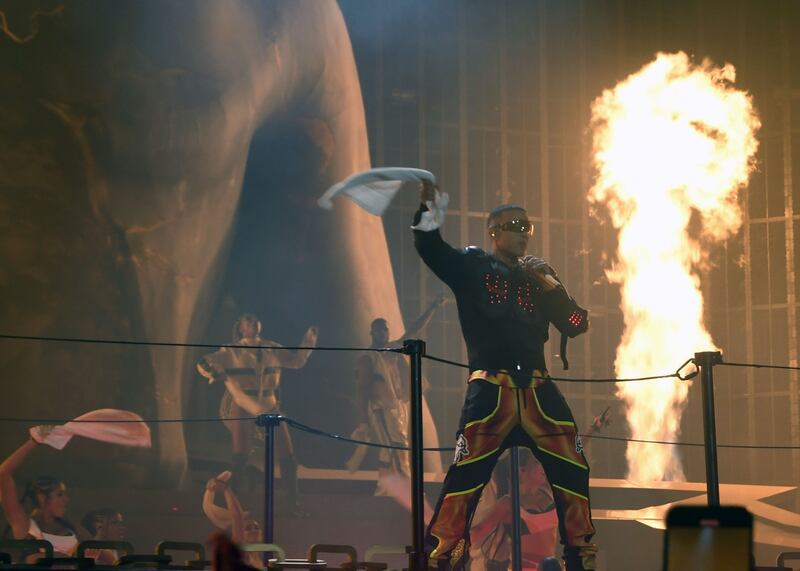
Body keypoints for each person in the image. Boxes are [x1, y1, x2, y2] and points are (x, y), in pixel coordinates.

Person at [413, 180, 596, 571]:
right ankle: (441, 552)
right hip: (490, 389)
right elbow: (430, 249)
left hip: (537, 389)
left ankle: (580, 552)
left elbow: (578, 323)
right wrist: (427, 209)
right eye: (514, 226)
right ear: (494, 232)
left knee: (573, 465)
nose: (522, 234)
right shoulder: (473, 268)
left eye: (527, 227)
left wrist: (551, 284)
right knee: (466, 473)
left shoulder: (539, 279)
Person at [197, 314, 318, 507]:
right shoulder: (231, 351)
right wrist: (214, 374)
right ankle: (231, 500)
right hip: (243, 402)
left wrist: (309, 341)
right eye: (247, 320)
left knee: (287, 456)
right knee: (240, 456)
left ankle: (293, 501)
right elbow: (204, 363)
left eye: (255, 319)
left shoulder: (272, 348)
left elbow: (297, 361)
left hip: (268, 404)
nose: (252, 321)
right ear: (241, 328)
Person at [348, 298, 447, 477]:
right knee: (397, 445)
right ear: (372, 333)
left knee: (389, 448)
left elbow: (414, 330)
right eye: (378, 329)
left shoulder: (393, 348)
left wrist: (432, 308)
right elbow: (362, 390)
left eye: (384, 329)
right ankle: (405, 483)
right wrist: (363, 419)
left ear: (388, 331)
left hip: (398, 406)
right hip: (380, 408)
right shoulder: (367, 358)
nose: (382, 332)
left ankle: (385, 487)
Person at [0, 438, 90, 558]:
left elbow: (100, 552)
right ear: (42, 497)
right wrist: (33, 441)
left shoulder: (73, 527)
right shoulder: (24, 524)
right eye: (60, 494)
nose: (67, 499)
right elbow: (3, 474)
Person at [203, 472, 263, 568]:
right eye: (248, 528)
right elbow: (238, 518)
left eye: (256, 527)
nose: (254, 531)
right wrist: (225, 489)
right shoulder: (241, 548)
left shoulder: (255, 555)